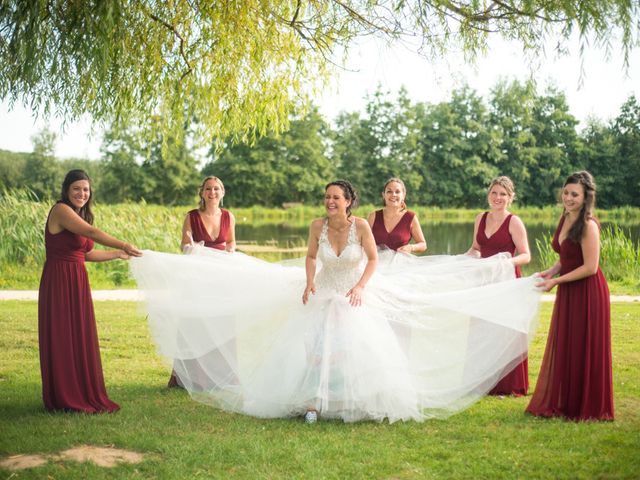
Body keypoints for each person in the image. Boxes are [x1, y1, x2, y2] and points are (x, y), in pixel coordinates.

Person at [131, 181, 542, 423]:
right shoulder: (316, 226)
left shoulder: (363, 225)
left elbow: (375, 259)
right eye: (326, 197)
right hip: (323, 290)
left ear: (349, 202)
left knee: (354, 348)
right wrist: (309, 283)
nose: (329, 202)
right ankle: (311, 402)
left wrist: (362, 287)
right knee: (312, 348)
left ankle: (353, 402)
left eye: (335, 198)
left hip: (353, 292)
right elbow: (311, 257)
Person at [38, 169, 141, 413]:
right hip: (59, 280)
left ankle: (80, 390)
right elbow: (93, 234)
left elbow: (86, 254)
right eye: (77, 188)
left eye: (85, 189)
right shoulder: (61, 210)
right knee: (63, 334)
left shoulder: (78, 214)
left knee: (78, 334)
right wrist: (123, 243)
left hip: (77, 279)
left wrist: (117, 254)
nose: (82, 193)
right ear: (66, 190)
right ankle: (64, 395)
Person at [527, 171, 613, 421]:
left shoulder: (588, 224)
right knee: (569, 343)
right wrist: (552, 270)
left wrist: (556, 281)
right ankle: (566, 402)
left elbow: (590, 267)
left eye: (575, 194)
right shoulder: (565, 218)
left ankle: (585, 405)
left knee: (584, 344)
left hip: (587, 291)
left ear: (586, 197)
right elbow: (567, 256)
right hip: (568, 288)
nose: (569, 198)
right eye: (566, 192)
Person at [168, 176, 236, 388]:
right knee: (196, 322)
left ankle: (221, 374)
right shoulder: (192, 217)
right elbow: (183, 245)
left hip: (222, 277)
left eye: (216, 189)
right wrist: (191, 247)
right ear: (202, 193)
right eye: (208, 189)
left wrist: (231, 251)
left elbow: (231, 241)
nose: (212, 192)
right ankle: (192, 376)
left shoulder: (228, 216)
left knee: (220, 320)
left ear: (222, 192)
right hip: (198, 277)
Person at [466, 176, 531, 396]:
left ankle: (508, 386)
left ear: (511, 197)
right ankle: (481, 383)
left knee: (505, 330)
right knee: (481, 329)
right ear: (488, 195)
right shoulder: (480, 218)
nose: (498, 198)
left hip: (507, 282)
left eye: (503, 194)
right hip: (484, 282)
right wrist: (462, 261)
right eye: (494, 193)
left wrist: (504, 263)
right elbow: (476, 248)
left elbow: (525, 255)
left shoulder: (514, 222)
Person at [368, 178, 427, 254]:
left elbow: (423, 244)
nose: (393, 195)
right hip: (377, 263)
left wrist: (411, 247)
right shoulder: (373, 216)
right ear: (383, 195)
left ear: (403, 195)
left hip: (401, 263)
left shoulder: (410, 217)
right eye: (389, 191)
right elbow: (363, 243)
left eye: (397, 192)